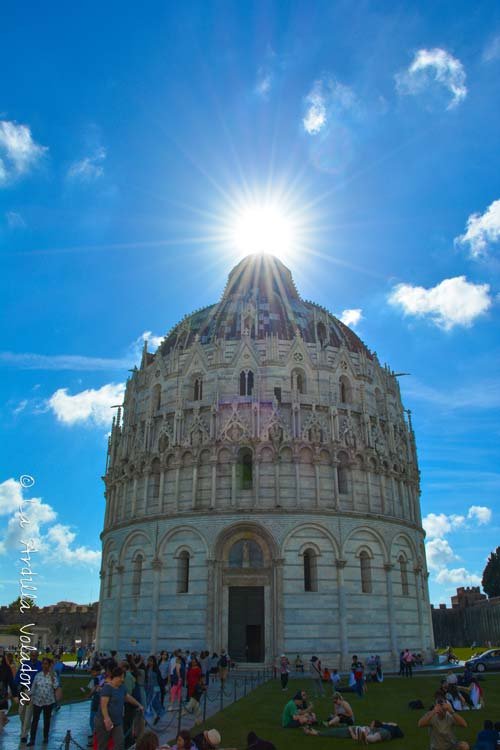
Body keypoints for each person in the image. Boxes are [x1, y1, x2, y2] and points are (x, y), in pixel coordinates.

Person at [94, 666, 144, 750]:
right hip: (104, 722)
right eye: (121, 677)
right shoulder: (107, 688)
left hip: (117, 722)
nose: (122, 679)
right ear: (116, 676)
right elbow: (103, 705)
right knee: (103, 745)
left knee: (120, 742)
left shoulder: (122, 687)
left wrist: (139, 705)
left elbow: (128, 697)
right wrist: (107, 719)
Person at [28, 657, 59, 746]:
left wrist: (52, 677)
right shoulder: (38, 675)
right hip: (38, 701)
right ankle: (32, 739)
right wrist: (28, 695)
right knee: (35, 720)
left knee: (46, 720)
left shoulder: (53, 675)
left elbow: (56, 686)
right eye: (43, 664)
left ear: (49, 665)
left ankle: (45, 737)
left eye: (46, 664)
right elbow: (33, 688)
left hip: (48, 701)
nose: (44, 665)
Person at [145, 655, 165, 725]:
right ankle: (146, 719)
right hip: (148, 688)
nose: (149, 662)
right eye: (148, 661)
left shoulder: (156, 670)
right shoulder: (147, 668)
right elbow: (147, 679)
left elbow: (159, 680)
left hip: (155, 689)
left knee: (154, 703)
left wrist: (160, 690)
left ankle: (159, 714)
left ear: (154, 662)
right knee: (147, 703)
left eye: (151, 661)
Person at [0, 654, 17, 732]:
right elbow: (12, 682)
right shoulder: (7, 669)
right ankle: (3, 722)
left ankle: (3, 722)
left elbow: (12, 681)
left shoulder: (8, 669)